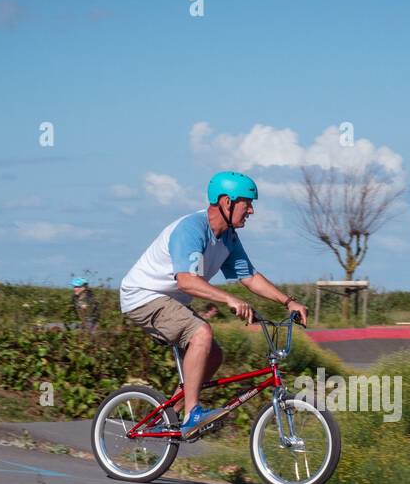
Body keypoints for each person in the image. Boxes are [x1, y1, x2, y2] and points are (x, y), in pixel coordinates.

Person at [118, 171, 310, 438]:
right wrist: (228, 298)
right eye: (247, 203)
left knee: (214, 354)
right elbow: (186, 281)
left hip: (170, 301)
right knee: (201, 333)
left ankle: (172, 413)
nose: (252, 210)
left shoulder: (228, 237)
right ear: (226, 202)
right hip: (143, 297)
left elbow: (250, 277)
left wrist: (288, 302)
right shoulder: (191, 229)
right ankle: (192, 413)